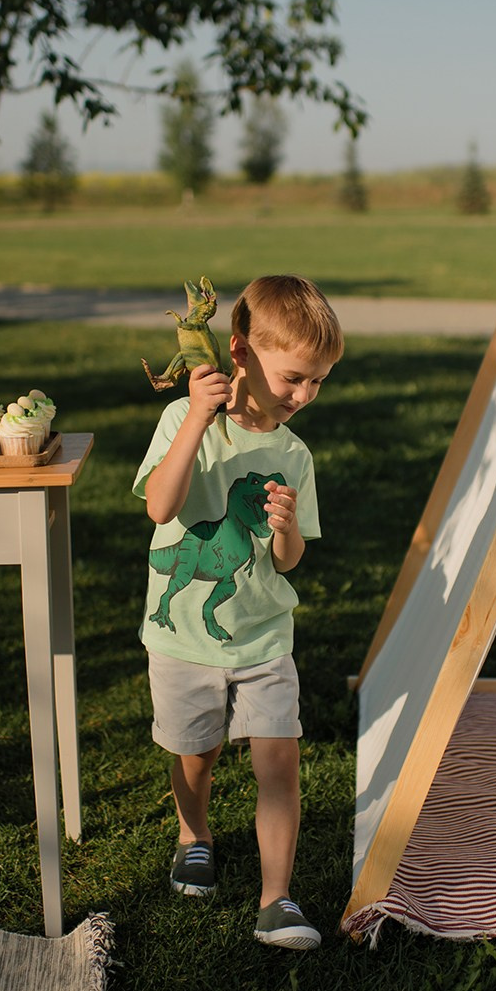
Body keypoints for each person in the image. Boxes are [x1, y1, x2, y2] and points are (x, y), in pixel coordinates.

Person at [133, 274, 344, 950]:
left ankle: (276, 899)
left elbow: (287, 561)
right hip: (184, 644)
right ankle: (193, 833)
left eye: (317, 382)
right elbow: (160, 507)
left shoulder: (293, 454)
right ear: (241, 353)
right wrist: (197, 417)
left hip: (264, 637)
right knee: (196, 755)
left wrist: (284, 529)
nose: (303, 395)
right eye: (293, 378)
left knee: (279, 765)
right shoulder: (183, 419)